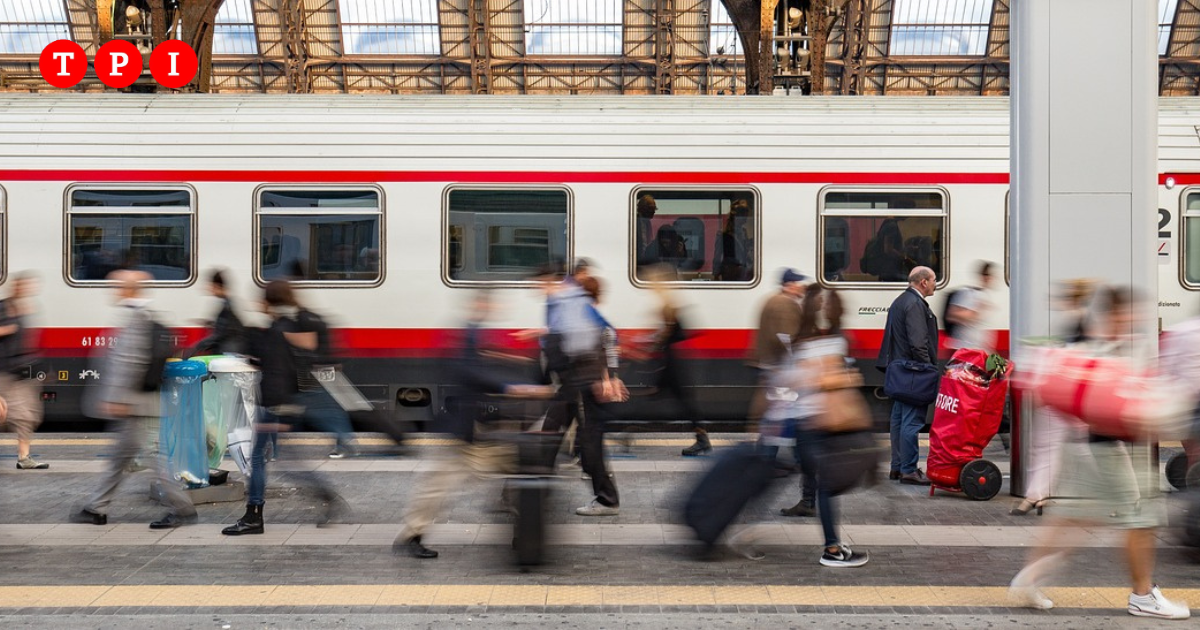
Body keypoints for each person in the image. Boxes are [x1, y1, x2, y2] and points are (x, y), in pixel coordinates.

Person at [1009, 286, 1190, 619]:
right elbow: (1119, 406)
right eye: (1129, 313)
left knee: (1076, 519)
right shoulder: (1106, 347)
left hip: (1090, 448)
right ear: (1115, 313)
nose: (1135, 319)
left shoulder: (1099, 343)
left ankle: (1029, 577)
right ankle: (1143, 595)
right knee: (1142, 519)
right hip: (1110, 448)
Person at [395, 291, 554, 559]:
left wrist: (506, 362)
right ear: (478, 304)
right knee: (441, 482)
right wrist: (512, 387)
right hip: (464, 428)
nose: (493, 307)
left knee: (517, 469)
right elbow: (468, 372)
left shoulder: (474, 333)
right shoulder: (464, 333)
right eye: (489, 302)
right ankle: (413, 534)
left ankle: (524, 531)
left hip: (477, 428)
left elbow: (479, 364)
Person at [72, 270, 197, 529]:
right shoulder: (143, 316)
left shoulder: (135, 318)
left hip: (134, 402)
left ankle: (183, 509)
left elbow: (130, 361)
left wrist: (118, 397)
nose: (114, 289)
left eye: (118, 285)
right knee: (120, 457)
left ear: (130, 289)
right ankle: (96, 507)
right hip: (138, 400)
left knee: (155, 458)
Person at [221, 280, 346, 536]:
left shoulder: (277, 330)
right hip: (283, 401)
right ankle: (259, 513)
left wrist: (273, 407)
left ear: (269, 301)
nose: (257, 303)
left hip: (274, 404)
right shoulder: (289, 326)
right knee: (279, 462)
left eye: (261, 299)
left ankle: (255, 515)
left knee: (266, 460)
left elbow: (278, 370)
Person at [877, 266, 938, 486]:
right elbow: (918, 342)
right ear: (923, 282)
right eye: (933, 281)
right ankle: (909, 470)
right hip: (914, 373)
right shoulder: (914, 304)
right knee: (911, 423)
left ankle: (897, 467)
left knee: (899, 421)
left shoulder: (900, 301)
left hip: (900, 372)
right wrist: (929, 369)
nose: (935, 285)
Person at [643, 265, 709, 456]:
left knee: (683, 402)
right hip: (674, 360)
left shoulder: (668, 305)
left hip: (675, 363)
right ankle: (630, 431)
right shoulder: (669, 304)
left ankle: (702, 440)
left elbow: (667, 333)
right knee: (677, 401)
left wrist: (651, 345)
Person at [747, 269, 808, 426]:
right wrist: (796, 362)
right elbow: (787, 337)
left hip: (768, 362)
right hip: (776, 364)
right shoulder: (785, 304)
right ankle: (766, 442)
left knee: (770, 403)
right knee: (775, 407)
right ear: (789, 285)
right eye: (799, 284)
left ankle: (763, 437)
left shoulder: (773, 300)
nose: (803, 287)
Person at [0, 273, 47, 469]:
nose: (27, 289)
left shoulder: (25, 310)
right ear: (16, 287)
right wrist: (8, 329)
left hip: (22, 371)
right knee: (2, 414)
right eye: (24, 286)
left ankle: (24, 458)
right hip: (4, 371)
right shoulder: (3, 306)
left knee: (27, 415)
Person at [185, 269, 246, 358]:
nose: (210, 290)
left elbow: (220, 334)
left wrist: (196, 347)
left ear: (218, 286)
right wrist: (209, 323)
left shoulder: (226, 307)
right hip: (231, 351)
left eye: (212, 287)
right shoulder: (227, 304)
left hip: (228, 352)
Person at [944, 261, 995, 352]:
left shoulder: (986, 295)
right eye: (990, 276)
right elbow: (952, 314)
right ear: (984, 277)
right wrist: (976, 312)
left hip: (979, 349)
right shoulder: (968, 293)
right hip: (964, 349)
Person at [713, 200, 754, 281]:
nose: (746, 218)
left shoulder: (743, 231)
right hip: (730, 271)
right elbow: (717, 256)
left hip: (743, 270)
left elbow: (744, 251)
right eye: (745, 216)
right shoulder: (723, 233)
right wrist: (716, 274)